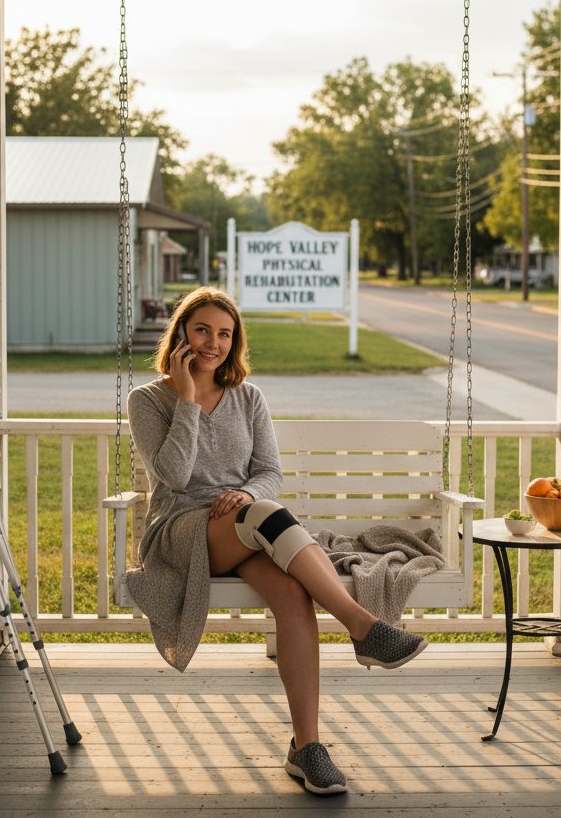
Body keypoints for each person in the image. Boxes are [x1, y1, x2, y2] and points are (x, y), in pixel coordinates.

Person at [125, 287, 427, 795]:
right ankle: (362, 626)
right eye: (202, 330)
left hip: (246, 528)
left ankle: (307, 748)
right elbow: (173, 476)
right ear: (180, 335)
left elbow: (269, 473)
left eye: (225, 334)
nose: (213, 343)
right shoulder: (148, 400)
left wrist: (245, 494)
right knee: (264, 514)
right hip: (181, 530)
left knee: (292, 593)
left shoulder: (249, 398)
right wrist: (188, 398)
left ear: (235, 341)